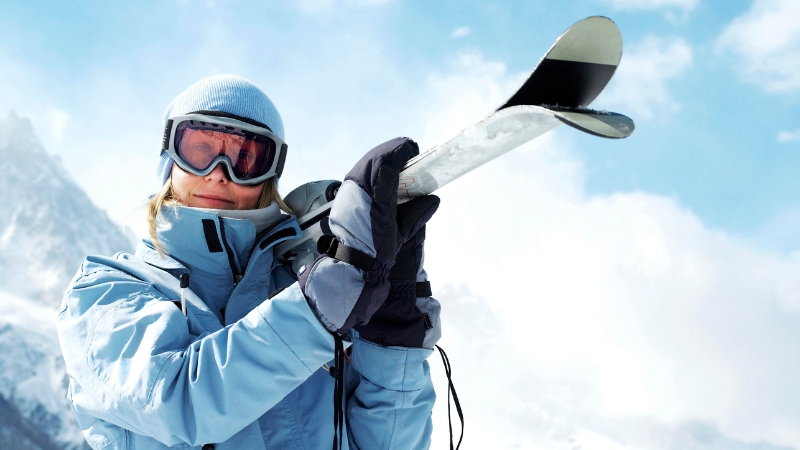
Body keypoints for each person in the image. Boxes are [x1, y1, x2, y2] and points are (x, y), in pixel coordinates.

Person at [56, 75, 442, 450]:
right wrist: (315, 309)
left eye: (245, 157)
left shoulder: (302, 286)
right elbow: (176, 401)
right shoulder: (105, 293)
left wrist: (393, 339)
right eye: (201, 151)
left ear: (270, 175)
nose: (220, 174)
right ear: (169, 158)